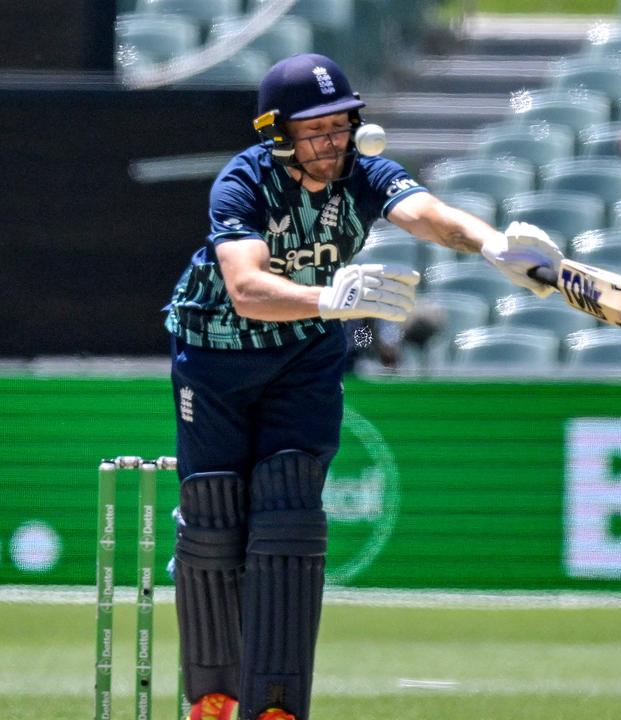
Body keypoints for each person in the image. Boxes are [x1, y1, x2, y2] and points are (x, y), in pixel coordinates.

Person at [164, 53, 560, 720]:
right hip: (215, 353)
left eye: (341, 125)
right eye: (315, 130)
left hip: (306, 356)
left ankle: (276, 705)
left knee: (289, 512)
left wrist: (494, 246)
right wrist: (328, 298)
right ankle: (213, 696)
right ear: (279, 133)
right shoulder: (243, 183)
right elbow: (246, 289)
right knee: (215, 517)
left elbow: (428, 215)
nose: (333, 142)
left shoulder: (367, 175)